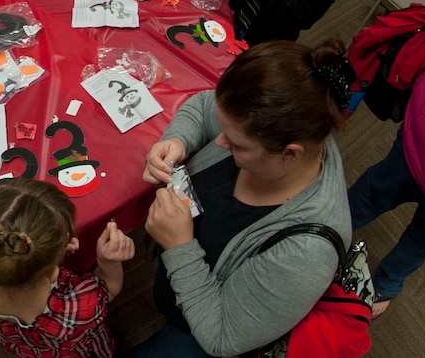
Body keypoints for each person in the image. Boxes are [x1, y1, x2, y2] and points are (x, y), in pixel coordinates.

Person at [127, 39, 355, 357]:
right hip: (182, 285)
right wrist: (178, 140)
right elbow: (207, 107)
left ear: (290, 154)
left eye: (236, 145)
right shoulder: (292, 126)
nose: (218, 142)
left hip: (205, 329)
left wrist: (178, 248)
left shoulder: (305, 256)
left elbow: (222, 336)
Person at [0, 179, 135, 357]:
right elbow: (108, 287)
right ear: (55, 271)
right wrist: (108, 262)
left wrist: (51, 253)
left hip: (25, 347)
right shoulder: (75, 309)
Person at [347, 0, 425, 319]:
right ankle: (329, 225)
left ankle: (387, 281)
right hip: (421, 144)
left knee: (423, 236)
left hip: (422, 140)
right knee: (377, 190)